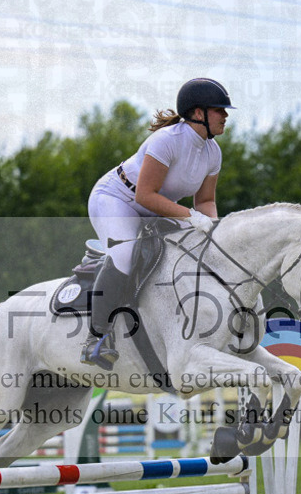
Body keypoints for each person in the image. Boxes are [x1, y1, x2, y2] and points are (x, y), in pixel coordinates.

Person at [80, 78, 235, 370]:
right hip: (117, 199)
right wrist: (192, 218)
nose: (225, 115)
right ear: (198, 113)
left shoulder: (213, 152)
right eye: (219, 110)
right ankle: (96, 338)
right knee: (124, 254)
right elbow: (145, 195)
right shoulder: (167, 141)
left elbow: (204, 201)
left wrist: (213, 229)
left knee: (196, 249)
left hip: (157, 208)